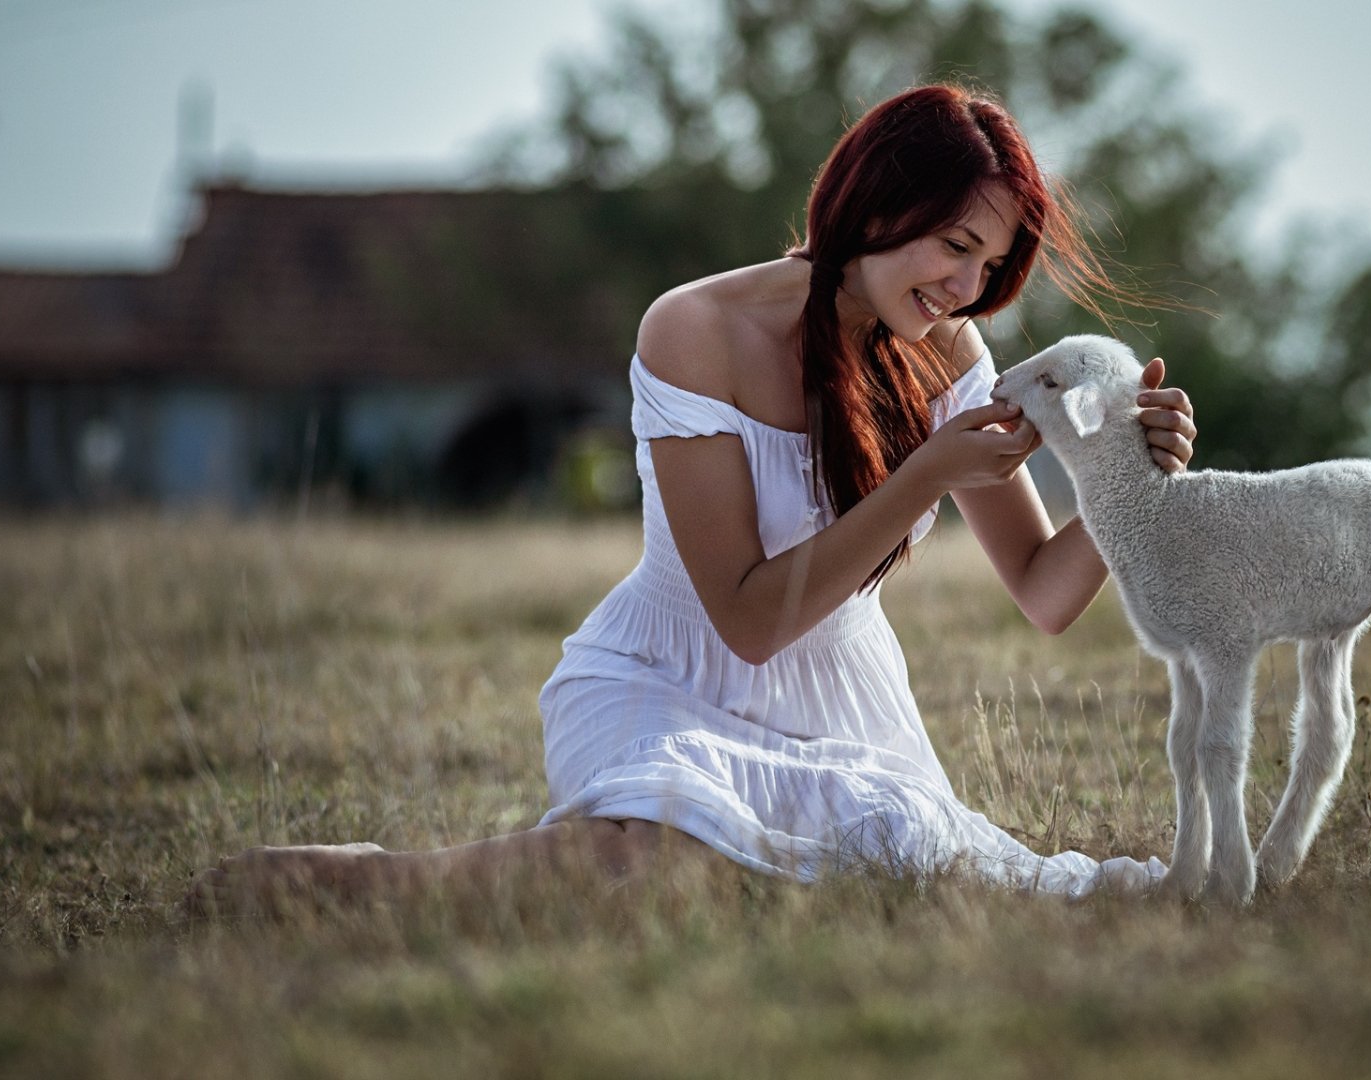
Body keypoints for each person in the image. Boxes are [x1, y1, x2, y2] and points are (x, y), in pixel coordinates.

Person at [183, 84, 1197, 915]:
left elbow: (1045, 593)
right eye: (955, 245)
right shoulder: (694, 329)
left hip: (841, 712)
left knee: (897, 893)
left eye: (987, 264)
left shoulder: (945, 351)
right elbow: (750, 620)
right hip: (662, 685)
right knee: (651, 867)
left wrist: (1131, 481)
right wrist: (924, 478)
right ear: (883, 203)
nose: (967, 289)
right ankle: (362, 882)